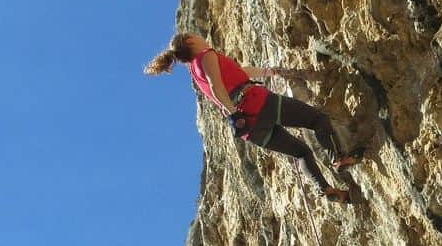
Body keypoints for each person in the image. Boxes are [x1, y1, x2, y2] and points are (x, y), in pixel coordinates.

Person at [145, 33, 357, 202]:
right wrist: (233, 112)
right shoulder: (206, 56)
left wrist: (269, 72)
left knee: (301, 153)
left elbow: (237, 73)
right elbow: (216, 87)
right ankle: (338, 159)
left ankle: (326, 190)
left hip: (250, 129)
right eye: (194, 35)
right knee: (317, 120)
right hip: (257, 104)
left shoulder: (195, 71)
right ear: (189, 41)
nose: (200, 36)